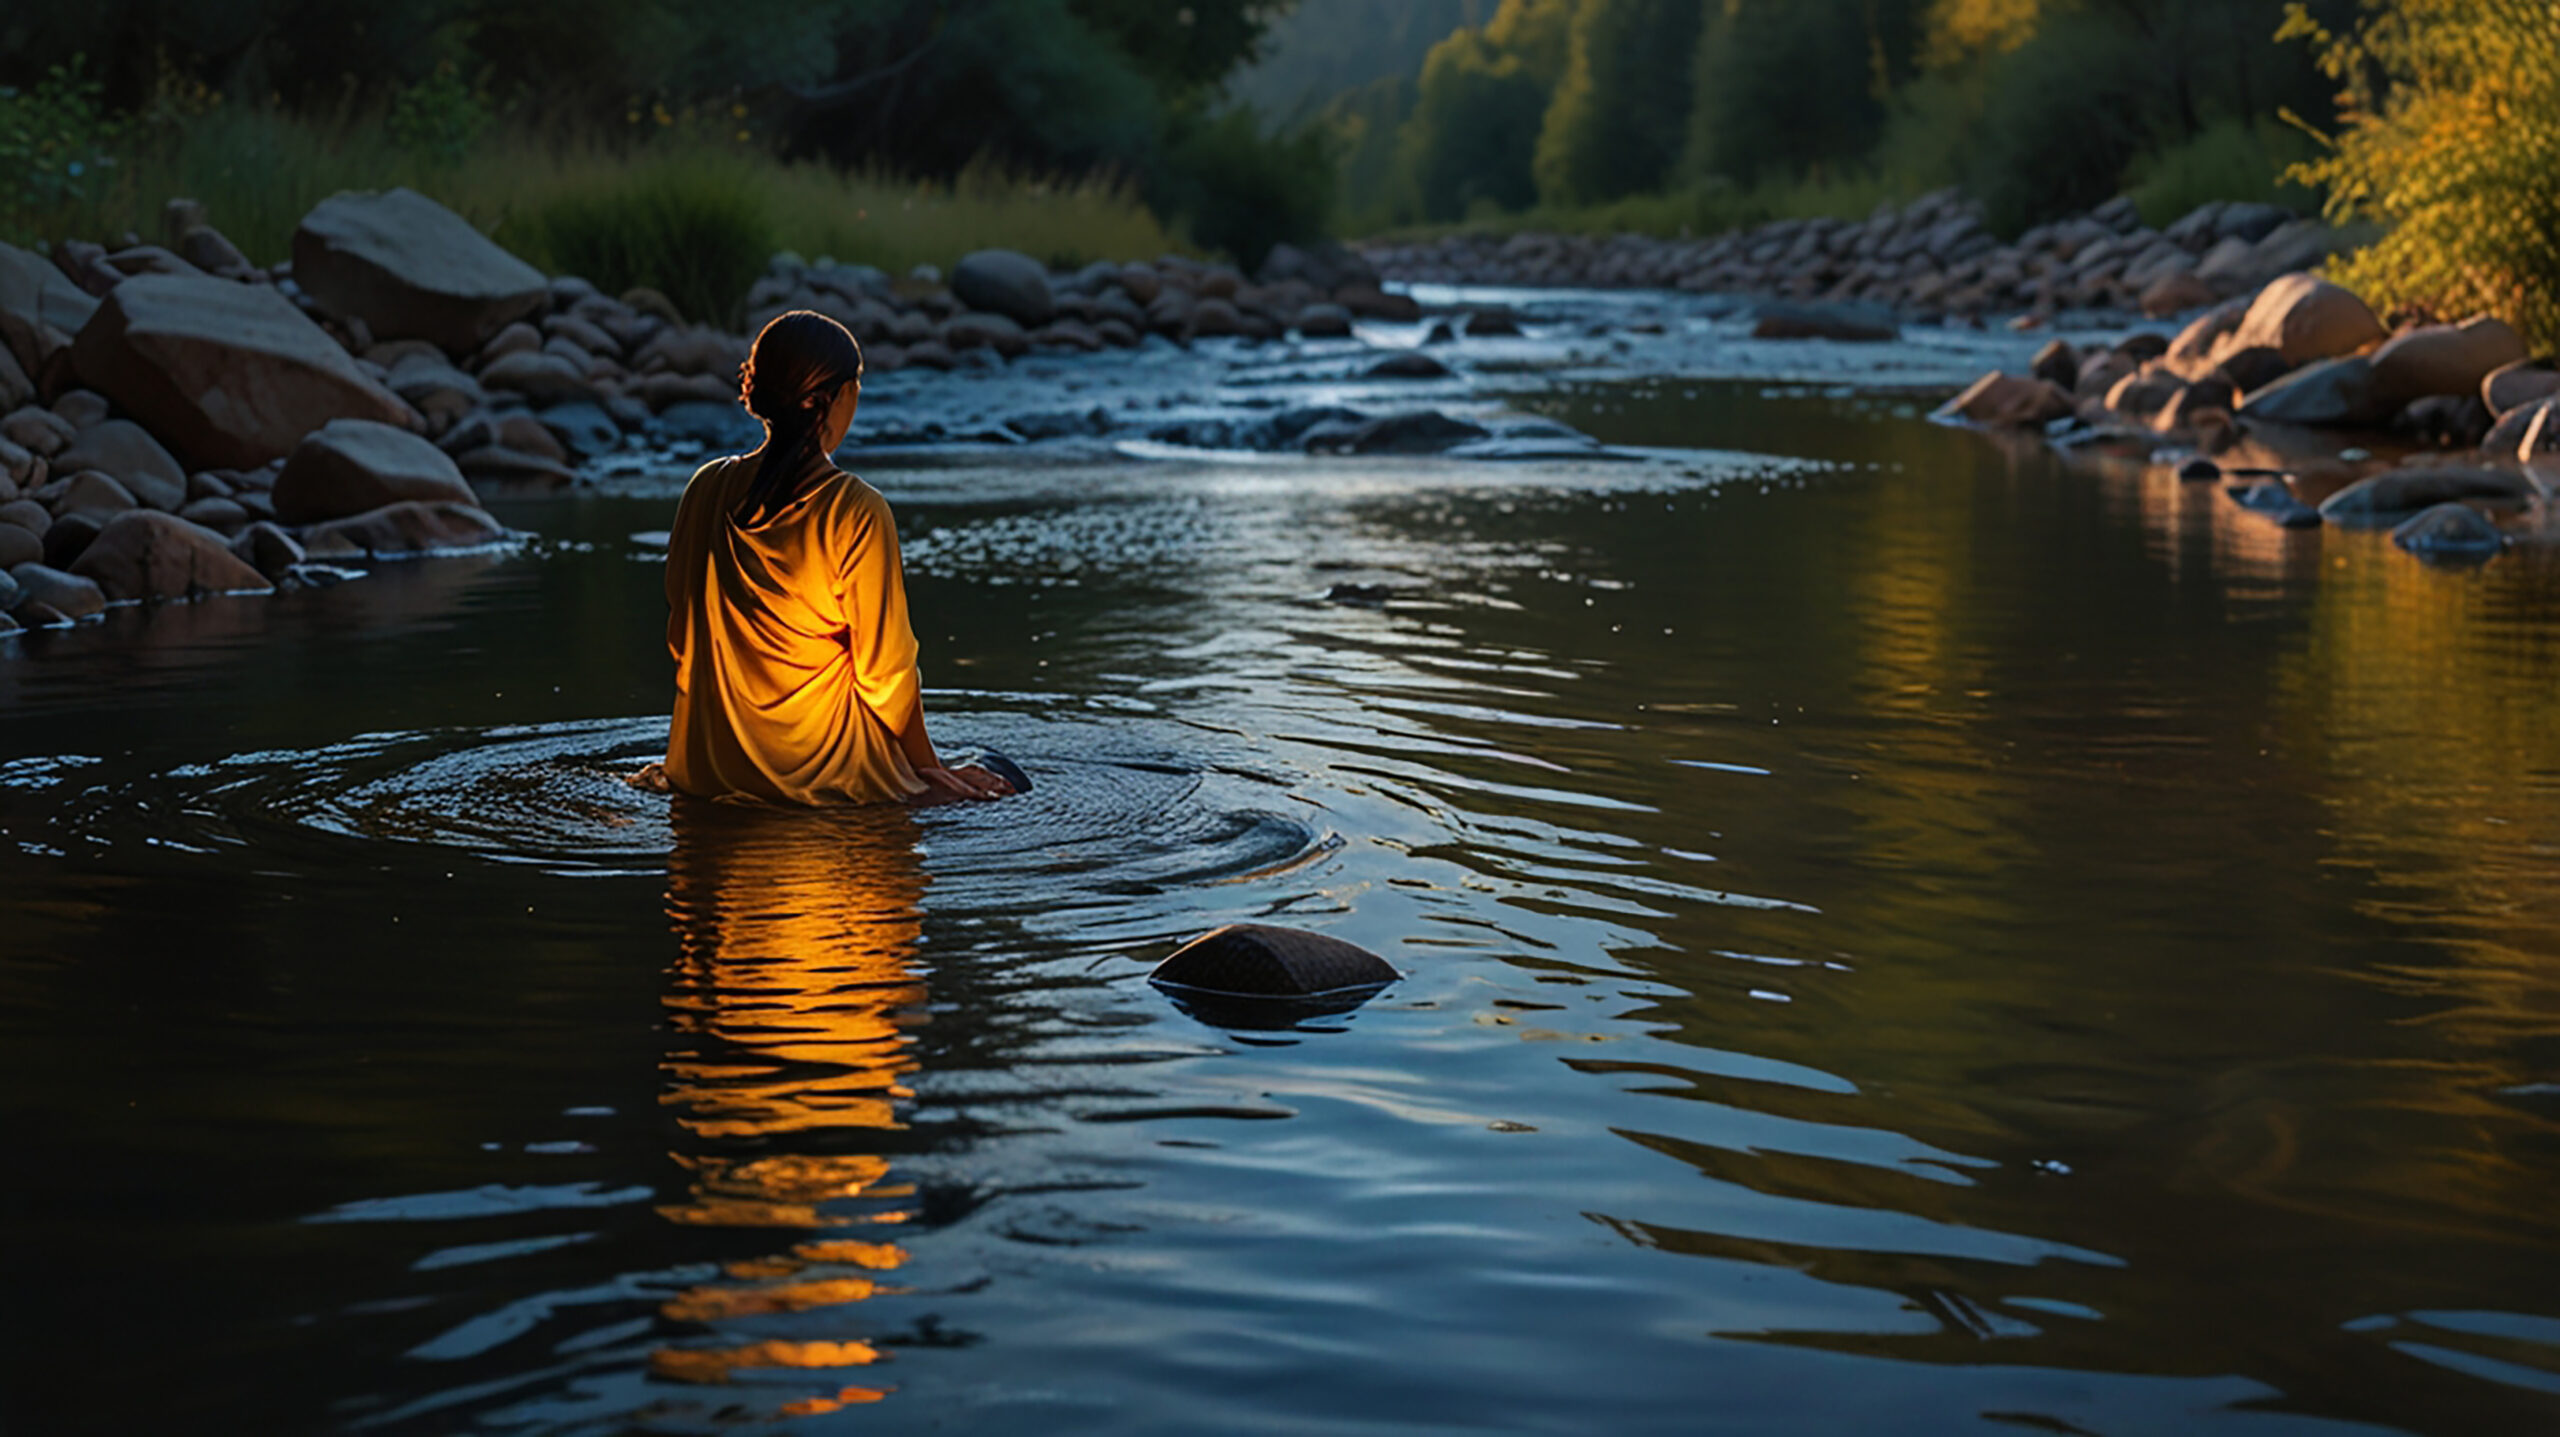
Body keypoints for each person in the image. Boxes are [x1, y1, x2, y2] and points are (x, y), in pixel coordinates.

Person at [654, 310, 1012, 806]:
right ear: (838, 398)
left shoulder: (705, 487)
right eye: (856, 387)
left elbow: (681, 633)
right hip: (821, 779)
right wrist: (928, 770)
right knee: (1002, 773)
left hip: (707, 768)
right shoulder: (854, 509)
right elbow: (886, 676)